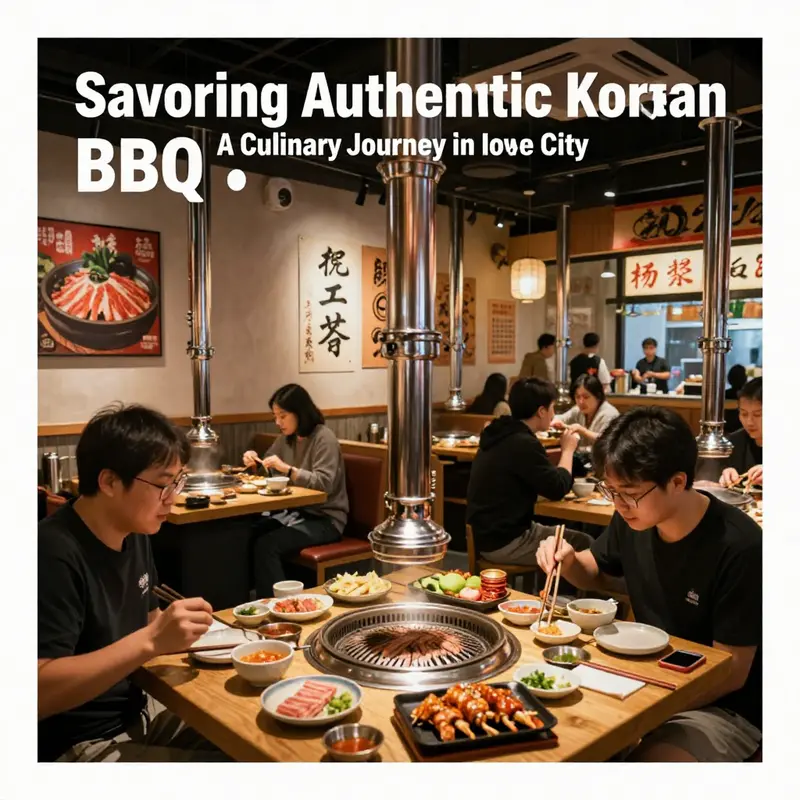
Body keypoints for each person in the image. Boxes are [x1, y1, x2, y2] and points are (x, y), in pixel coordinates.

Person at [537, 407, 762, 762]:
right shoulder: (633, 518)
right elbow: (593, 571)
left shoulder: (739, 546)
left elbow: (732, 672)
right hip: (646, 680)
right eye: (610, 490)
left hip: (721, 708)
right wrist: (567, 560)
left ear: (676, 482)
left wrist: (646, 711)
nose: (619, 504)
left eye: (629, 492)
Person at [38, 404, 226, 762]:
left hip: (138, 710)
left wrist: (189, 634)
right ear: (109, 481)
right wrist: (153, 640)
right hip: (76, 743)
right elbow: (36, 693)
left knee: (251, 738)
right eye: (162, 483)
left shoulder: (135, 530)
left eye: (177, 481)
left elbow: (148, 621)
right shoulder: (51, 553)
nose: (172, 496)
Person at [243, 384, 348, 597]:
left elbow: (324, 483)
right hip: (297, 514)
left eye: (283, 416)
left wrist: (289, 470)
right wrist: (254, 461)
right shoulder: (285, 439)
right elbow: (269, 470)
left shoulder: (323, 437)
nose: (278, 422)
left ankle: (278, 606)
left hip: (326, 520)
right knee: (247, 533)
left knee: (267, 544)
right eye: (275, 416)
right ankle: (246, 601)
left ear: (300, 412)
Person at [466, 377, 580, 564]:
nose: (553, 414)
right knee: (581, 543)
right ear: (541, 411)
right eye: (552, 408)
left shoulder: (500, 433)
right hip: (505, 541)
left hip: (486, 534)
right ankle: (567, 593)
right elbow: (558, 488)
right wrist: (567, 450)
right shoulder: (522, 442)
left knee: (562, 538)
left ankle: (554, 591)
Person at [553, 374, 619, 449]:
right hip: (583, 456)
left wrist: (582, 430)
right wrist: (554, 421)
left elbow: (607, 441)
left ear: (598, 396)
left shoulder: (609, 414)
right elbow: (561, 418)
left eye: (586, 397)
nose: (581, 402)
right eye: (577, 397)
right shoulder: (578, 410)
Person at [720, 377, 762, 489]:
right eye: (743, 414)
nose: (749, 422)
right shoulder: (734, 442)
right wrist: (725, 475)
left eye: (757, 415)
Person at [724, 364, 748, 433]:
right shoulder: (749, 396)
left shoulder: (725, 394)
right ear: (745, 378)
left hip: (726, 428)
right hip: (743, 428)